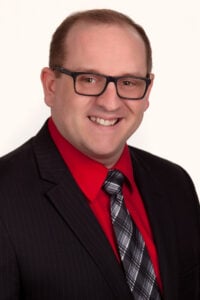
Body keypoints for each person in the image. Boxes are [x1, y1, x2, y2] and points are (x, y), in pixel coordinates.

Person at [0, 8, 199, 300]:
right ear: (51, 86)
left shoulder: (175, 183)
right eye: (89, 79)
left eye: (128, 82)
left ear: (147, 91)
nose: (110, 102)